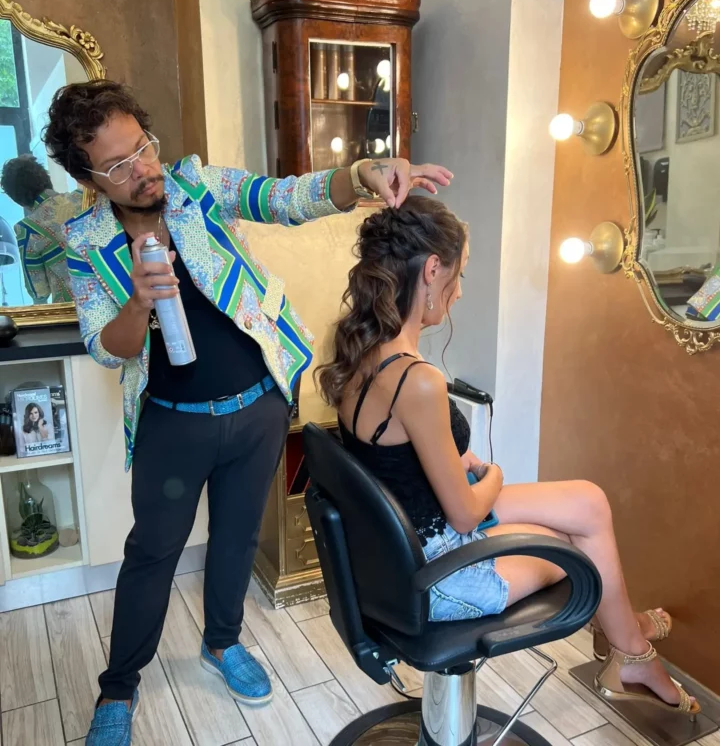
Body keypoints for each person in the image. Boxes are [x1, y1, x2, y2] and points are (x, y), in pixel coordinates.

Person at [41, 79, 452, 746]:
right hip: (171, 423)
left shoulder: (197, 186)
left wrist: (361, 174)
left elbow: (283, 198)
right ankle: (118, 687)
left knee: (236, 538)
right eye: (117, 165)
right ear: (88, 179)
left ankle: (223, 642)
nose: (142, 169)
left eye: (142, 147)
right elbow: (105, 348)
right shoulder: (86, 242)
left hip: (258, 407)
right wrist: (139, 302)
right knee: (152, 554)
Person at [317, 195, 700, 719]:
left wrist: (456, 458)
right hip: (442, 573)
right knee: (574, 545)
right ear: (432, 270)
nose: (458, 292)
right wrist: (493, 474)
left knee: (587, 503)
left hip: (406, 541)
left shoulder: (364, 353)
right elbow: (465, 515)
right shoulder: (417, 379)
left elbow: (392, 454)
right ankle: (629, 648)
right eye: (458, 275)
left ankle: (626, 640)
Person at [0, 154, 81, 303]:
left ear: (18, 200)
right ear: (46, 178)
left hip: (75, 311)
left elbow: (38, 291)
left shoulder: (27, 230)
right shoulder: (83, 198)